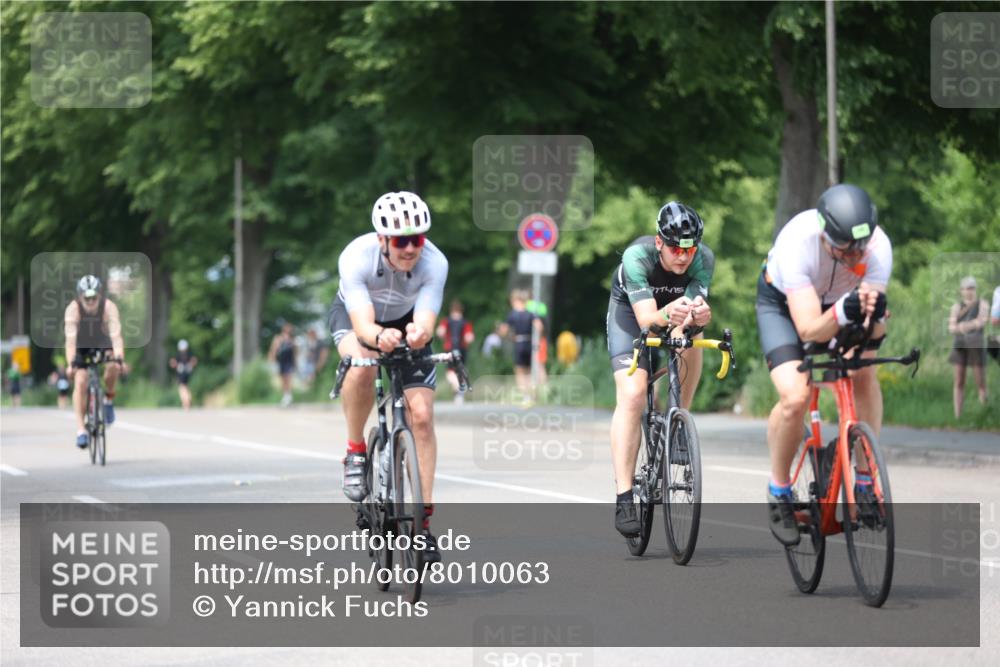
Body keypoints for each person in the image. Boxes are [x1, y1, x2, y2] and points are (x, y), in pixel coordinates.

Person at [757, 184, 891, 546]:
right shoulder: (797, 244)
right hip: (785, 307)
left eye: (859, 251)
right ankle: (780, 490)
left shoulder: (879, 249)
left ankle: (864, 480)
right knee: (795, 397)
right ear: (824, 235)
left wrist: (875, 320)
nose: (853, 259)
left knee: (863, 371)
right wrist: (843, 311)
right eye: (844, 251)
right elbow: (809, 329)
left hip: (837, 305)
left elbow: (874, 332)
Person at [328, 190, 448, 562]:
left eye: (418, 238)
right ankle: (355, 450)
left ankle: (422, 523)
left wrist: (419, 334)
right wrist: (379, 336)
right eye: (401, 240)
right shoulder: (355, 257)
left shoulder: (435, 263)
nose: (411, 248)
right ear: (382, 239)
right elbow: (363, 324)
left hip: (406, 320)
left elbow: (426, 320)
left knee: (423, 417)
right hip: (357, 318)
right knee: (361, 362)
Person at [607, 201, 714, 537]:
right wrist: (673, 314)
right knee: (634, 393)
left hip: (672, 315)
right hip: (631, 316)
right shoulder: (636, 258)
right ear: (658, 243)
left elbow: (686, 321)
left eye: (689, 250)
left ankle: (678, 418)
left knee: (692, 341)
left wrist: (695, 320)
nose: (682, 257)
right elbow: (647, 321)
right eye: (673, 249)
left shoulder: (703, 260)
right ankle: (624, 495)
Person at [65, 275, 125, 449]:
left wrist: (119, 357)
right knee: (81, 380)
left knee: (113, 365)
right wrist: (71, 364)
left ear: (99, 295)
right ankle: (81, 429)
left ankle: (108, 399)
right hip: (81, 346)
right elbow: (70, 340)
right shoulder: (73, 309)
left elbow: (116, 335)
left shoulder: (109, 307)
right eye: (87, 298)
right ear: (80, 296)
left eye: (94, 297)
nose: (91, 301)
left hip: (102, 342)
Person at [948, 276, 989, 417]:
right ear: (961, 290)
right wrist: (970, 326)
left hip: (976, 344)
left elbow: (982, 321)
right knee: (959, 380)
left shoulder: (982, 304)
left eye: (972, 287)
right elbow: (951, 327)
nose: (969, 291)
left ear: (975, 289)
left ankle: (984, 411)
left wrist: (963, 326)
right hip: (960, 345)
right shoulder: (956, 307)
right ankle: (957, 415)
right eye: (967, 288)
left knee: (980, 380)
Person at [498, 289, 542, 404]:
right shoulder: (530, 313)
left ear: (515, 300)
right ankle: (533, 394)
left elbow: (504, 330)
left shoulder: (512, 314)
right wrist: (537, 339)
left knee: (519, 371)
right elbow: (539, 326)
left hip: (519, 343)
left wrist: (508, 336)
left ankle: (525, 396)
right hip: (530, 343)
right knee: (529, 371)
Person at [436, 300, 474, 403]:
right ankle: (459, 393)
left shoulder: (446, 321)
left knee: (450, 372)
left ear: (451, 310)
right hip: (462, 349)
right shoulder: (465, 322)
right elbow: (469, 337)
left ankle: (458, 387)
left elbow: (440, 332)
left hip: (450, 348)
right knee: (461, 369)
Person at [268, 322, 297, 407]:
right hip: (282, 361)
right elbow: (274, 349)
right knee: (283, 379)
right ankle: (285, 395)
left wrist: (296, 363)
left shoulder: (292, 340)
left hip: (289, 361)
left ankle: (289, 396)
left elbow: (295, 352)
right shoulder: (278, 338)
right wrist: (272, 359)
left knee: (289, 378)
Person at [169, 339, 198, 410]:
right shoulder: (189, 353)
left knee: (182, 387)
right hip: (188, 372)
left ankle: (186, 401)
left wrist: (176, 365)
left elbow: (173, 363)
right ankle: (188, 399)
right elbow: (194, 360)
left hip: (181, 373)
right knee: (185, 386)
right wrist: (190, 365)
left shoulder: (179, 355)